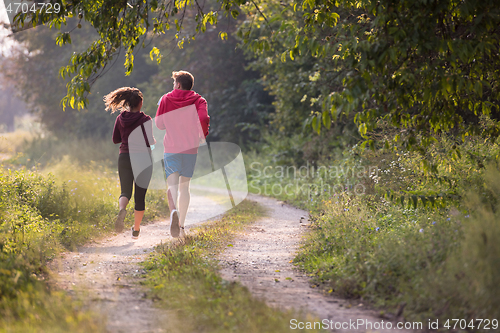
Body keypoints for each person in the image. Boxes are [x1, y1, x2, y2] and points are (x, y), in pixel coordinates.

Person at [155, 71, 210, 238]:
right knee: (185, 187)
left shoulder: (166, 99)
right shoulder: (199, 100)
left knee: (172, 186)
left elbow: (159, 124)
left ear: (178, 84)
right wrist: (202, 134)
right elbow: (203, 118)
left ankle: (173, 212)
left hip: (171, 148)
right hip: (190, 149)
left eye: (174, 83)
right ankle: (182, 226)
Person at [106, 87, 156, 239]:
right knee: (140, 197)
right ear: (140, 103)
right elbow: (149, 142)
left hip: (125, 157)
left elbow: (116, 140)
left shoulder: (120, 118)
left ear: (127, 103)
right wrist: (153, 142)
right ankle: (136, 229)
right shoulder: (146, 119)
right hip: (143, 158)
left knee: (125, 191)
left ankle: (122, 209)